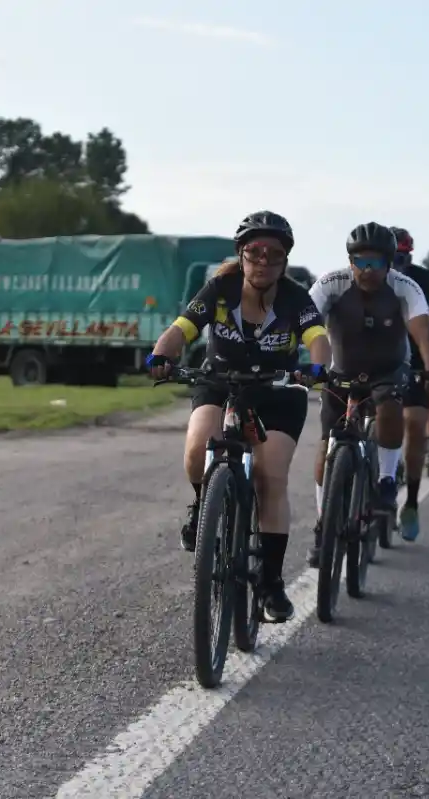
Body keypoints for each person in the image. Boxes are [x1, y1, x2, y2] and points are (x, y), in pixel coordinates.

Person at [146, 210, 332, 623]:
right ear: (241, 255)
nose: (263, 261)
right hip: (220, 381)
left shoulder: (295, 298)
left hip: (277, 391)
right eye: (254, 252)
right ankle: (202, 505)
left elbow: (318, 339)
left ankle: (270, 582)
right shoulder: (219, 289)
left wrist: (318, 369)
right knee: (197, 449)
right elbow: (182, 328)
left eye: (274, 254)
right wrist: (162, 354)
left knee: (270, 475)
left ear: (285, 260)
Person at [304, 222, 429, 567]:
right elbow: (305, 324)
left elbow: (424, 335)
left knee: (391, 409)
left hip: (389, 370)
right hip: (341, 371)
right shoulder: (330, 283)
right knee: (327, 443)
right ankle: (323, 525)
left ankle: (384, 481)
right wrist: (305, 364)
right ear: (349, 260)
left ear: (389, 262)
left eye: (376, 263)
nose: (367, 270)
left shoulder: (405, 288)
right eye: (360, 262)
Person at [389, 227, 429, 542]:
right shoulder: (362, 278)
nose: (393, 265)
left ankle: (411, 502)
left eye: (400, 258)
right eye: (388, 258)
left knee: (414, 424)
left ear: (410, 257)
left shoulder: (425, 282)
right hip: (372, 359)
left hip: (416, 360)